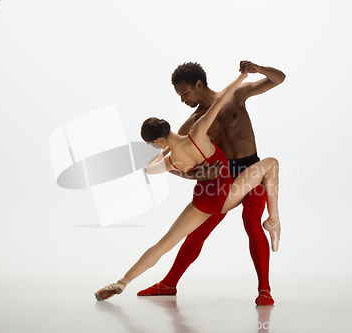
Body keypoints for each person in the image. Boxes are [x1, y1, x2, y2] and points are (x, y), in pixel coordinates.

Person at [94, 62, 281, 302]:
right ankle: (274, 220)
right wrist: (194, 174)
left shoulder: (176, 153)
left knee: (171, 242)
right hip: (226, 184)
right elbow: (219, 102)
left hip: (219, 187)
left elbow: (151, 169)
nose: (182, 100)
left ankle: (121, 283)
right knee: (271, 164)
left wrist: (189, 174)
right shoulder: (196, 126)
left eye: (184, 93)